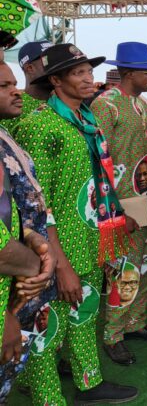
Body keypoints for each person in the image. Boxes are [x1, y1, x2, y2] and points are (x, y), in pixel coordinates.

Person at [15, 44, 138, 404]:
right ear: (55, 80)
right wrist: (60, 264)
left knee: (84, 314)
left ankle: (89, 383)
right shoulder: (38, 126)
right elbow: (37, 205)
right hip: (51, 250)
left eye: (89, 71)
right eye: (78, 73)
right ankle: (46, 397)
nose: (89, 79)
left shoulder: (87, 120)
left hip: (88, 238)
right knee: (47, 328)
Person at [91, 42, 147, 365]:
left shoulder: (142, 103)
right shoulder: (105, 105)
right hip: (122, 202)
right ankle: (113, 334)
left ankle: (134, 323)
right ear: (128, 73)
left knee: (146, 263)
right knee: (125, 269)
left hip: (144, 198)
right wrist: (117, 208)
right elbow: (98, 158)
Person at [0, 57, 56, 401]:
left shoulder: (5, 132)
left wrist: (33, 236)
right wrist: (38, 265)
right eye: (4, 87)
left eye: (12, 82)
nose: (16, 90)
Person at [2, 40, 53, 136]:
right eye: (48, 60)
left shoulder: (69, 104)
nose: (56, 65)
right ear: (30, 68)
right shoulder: (11, 106)